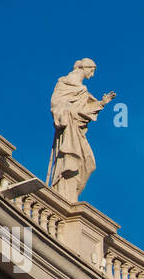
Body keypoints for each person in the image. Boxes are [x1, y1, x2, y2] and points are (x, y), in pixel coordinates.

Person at [49, 60, 117, 203]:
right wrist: (66, 113)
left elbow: (82, 112)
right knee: (73, 162)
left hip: (76, 130)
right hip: (69, 130)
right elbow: (57, 105)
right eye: (91, 71)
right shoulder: (65, 84)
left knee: (88, 163)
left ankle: (71, 196)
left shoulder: (83, 90)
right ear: (84, 68)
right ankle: (65, 196)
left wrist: (101, 103)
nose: (91, 75)